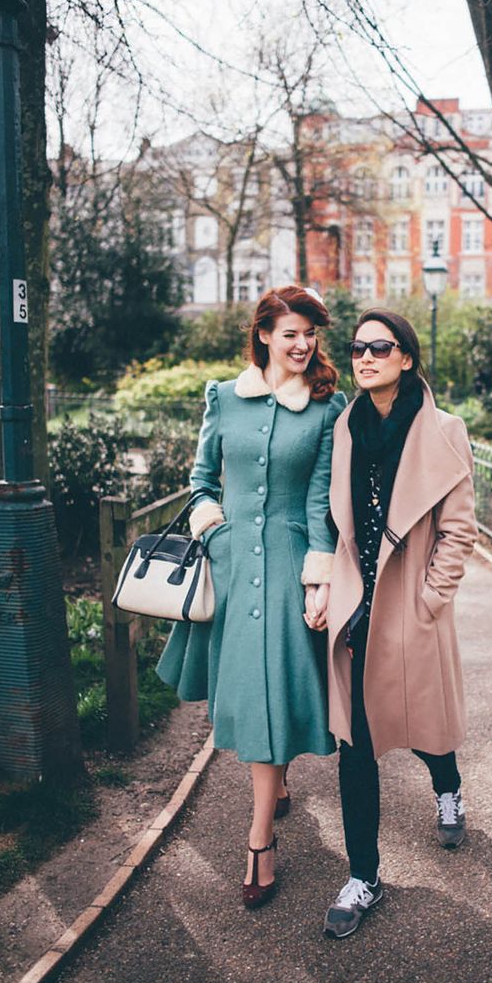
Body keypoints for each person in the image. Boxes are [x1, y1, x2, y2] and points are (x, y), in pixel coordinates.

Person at [156, 286, 347, 909]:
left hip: (291, 566)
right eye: (290, 332)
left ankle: (259, 839)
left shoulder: (325, 409)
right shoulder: (223, 398)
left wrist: (319, 578)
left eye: (309, 334)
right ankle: (278, 786)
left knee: (273, 690)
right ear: (263, 334)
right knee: (254, 691)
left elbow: (322, 500)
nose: (302, 344)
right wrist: (212, 525)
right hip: (234, 566)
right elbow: (201, 479)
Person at [322, 309, 477, 939]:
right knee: (356, 742)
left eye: (380, 347)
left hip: (411, 603)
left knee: (425, 724)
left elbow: (460, 528)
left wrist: (429, 600)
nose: (365, 357)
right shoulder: (346, 427)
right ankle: (365, 875)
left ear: (406, 358)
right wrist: (331, 590)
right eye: (358, 348)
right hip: (359, 602)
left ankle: (449, 787)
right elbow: (340, 522)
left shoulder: (444, 429)